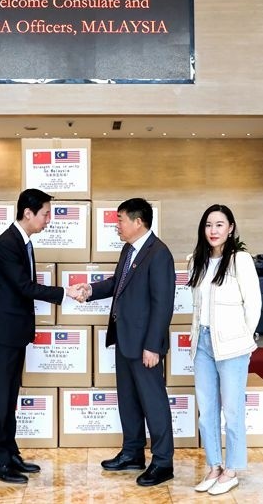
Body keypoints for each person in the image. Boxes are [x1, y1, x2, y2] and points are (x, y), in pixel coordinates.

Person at [0, 188, 83, 484]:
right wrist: (65, 292)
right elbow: (24, 287)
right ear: (28, 213)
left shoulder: (23, 242)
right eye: (46, 214)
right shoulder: (7, 243)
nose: (49, 220)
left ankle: (10, 454)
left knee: (10, 396)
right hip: (1, 333)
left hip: (13, 333)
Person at [78, 198, 176, 487]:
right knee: (128, 400)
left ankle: (163, 462)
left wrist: (153, 346)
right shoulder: (130, 249)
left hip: (145, 345)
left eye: (120, 220)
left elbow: (162, 304)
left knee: (153, 403)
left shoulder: (159, 253)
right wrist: (90, 289)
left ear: (138, 221)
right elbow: (117, 284)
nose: (116, 226)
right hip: (125, 339)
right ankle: (133, 452)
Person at [186, 204, 261, 496]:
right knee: (206, 411)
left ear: (230, 228)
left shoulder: (240, 260)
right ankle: (214, 466)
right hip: (203, 343)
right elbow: (197, 307)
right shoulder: (197, 261)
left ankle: (231, 471)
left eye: (219, 225)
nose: (213, 230)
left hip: (232, 345)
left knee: (232, 409)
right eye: (208, 225)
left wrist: (244, 339)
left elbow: (253, 304)